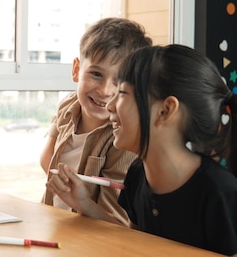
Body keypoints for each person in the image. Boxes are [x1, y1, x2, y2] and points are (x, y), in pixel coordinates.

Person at [48, 44, 237, 255]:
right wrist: (83, 203)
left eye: (122, 92)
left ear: (165, 110)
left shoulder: (220, 193)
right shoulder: (138, 173)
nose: (110, 105)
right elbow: (134, 244)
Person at [40, 18, 152, 224]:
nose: (104, 90)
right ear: (76, 70)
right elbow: (47, 158)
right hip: (55, 222)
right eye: (96, 74)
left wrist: (80, 200)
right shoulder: (69, 105)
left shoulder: (125, 138)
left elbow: (118, 223)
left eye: (119, 81)